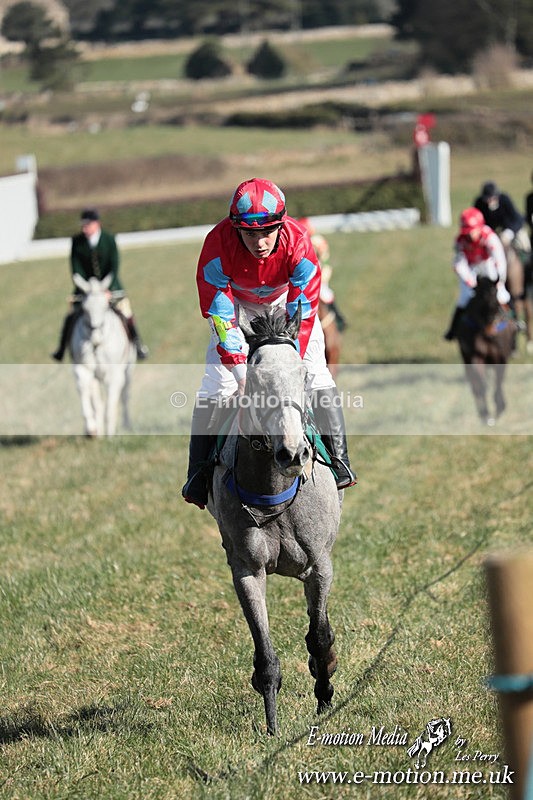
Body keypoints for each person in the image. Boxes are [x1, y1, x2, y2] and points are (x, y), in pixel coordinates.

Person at [181, 178, 357, 510]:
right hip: (237, 309)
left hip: (286, 304)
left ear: (281, 224)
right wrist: (241, 375)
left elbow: (302, 312)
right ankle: (198, 475)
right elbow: (221, 315)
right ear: (235, 228)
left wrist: (290, 361)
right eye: (249, 234)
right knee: (215, 386)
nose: (260, 242)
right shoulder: (217, 245)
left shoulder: (299, 242)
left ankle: (339, 462)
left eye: (268, 232)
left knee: (317, 374)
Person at [51, 208, 149, 361]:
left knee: (126, 312)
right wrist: (87, 288)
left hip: (111, 287)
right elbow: (76, 269)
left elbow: (114, 266)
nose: (84, 229)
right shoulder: (77, 242)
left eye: (87, 225)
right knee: (71, 315)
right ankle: (62, 348)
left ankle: (138, 344)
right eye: (83, 225)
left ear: (97, 224)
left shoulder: (109, 239)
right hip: (85, 290)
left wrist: (107, 289)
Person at [444, 207, 510, 341]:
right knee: (464, 298)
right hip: (471, 269)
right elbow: (459, 263)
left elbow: (499, 259)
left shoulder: (490, 237)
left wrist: (499, 279)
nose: (470, 234)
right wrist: (470, 281)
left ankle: (514, 321)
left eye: (472, 230)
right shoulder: (460, 241)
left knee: (501, 295)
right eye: (467, 231)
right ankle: (454, 329)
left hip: (488, 265)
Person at [474, 181, 527, 324]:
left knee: (525, 245)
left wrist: (509, 232)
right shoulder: (479, 204)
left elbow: (517, 219)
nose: (490, 201)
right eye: (487, 198)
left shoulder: (505, 200)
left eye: (492, 198)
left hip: (510, 231)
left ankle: (527, 272)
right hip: (490, 235)